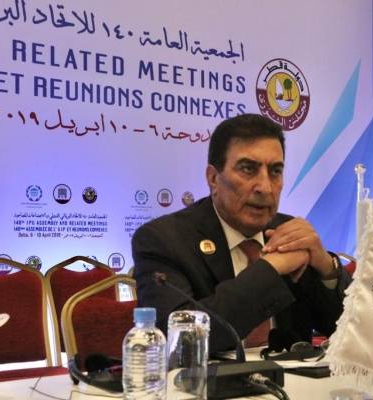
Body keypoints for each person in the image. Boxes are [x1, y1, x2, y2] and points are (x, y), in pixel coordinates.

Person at [132, 114, 351, 353]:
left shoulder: (289, 234)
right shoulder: (163, 240)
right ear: (213, 178)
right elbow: (178, 340)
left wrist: (327, 269)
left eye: (275, 171)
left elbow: (351, 332)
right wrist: (270, 269)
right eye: (248, 169)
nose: (265, 187)